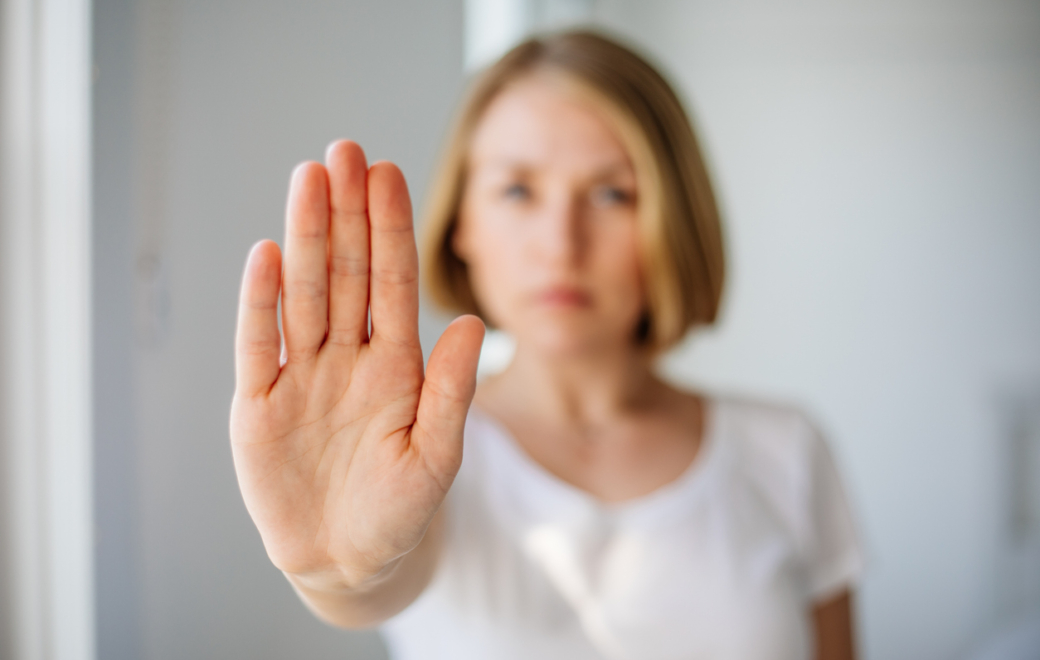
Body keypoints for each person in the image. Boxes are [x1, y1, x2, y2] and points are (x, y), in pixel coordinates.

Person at [229, 31, 863, 660]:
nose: (561, 244)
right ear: (462, 226)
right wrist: (333, 575)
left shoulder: (786, 452)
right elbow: (373, 578)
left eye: (613, 193)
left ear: (676, 219)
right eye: (517, 190)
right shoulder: (411, 454)